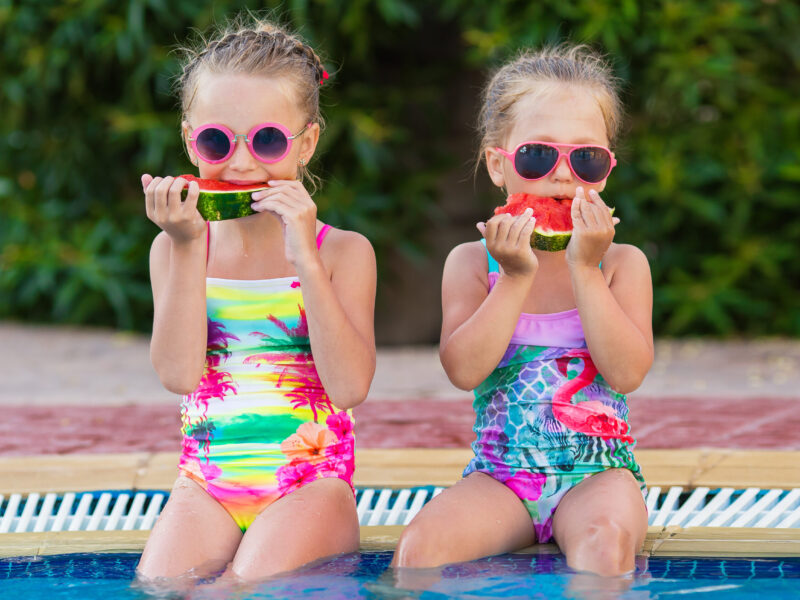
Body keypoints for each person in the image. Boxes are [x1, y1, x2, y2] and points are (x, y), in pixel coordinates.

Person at [393, 45, 653, 577]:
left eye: (586, 159)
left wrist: (585, 270)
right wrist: (513, 279)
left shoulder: (622, 264)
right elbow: (465, 371)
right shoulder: (471, 263)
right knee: (417, 555)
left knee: (605, 550)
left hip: (599, 474)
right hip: (500, 477)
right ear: (497, 163)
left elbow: (626, 374)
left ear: (606, 171)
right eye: (538, 156)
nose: (562, 177)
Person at [136, 18, 376, 582]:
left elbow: (349, 388)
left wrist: (305, 262)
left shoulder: (342, 252)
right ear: (189, 138)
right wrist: (188, 246)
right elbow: (176, 374)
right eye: (217, 141)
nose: (241, 163)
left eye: (267, 140)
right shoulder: (172, 248)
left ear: (307, 142)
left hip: (312, 486)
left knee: (241, 590)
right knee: (160, 588)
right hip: (205, 483)